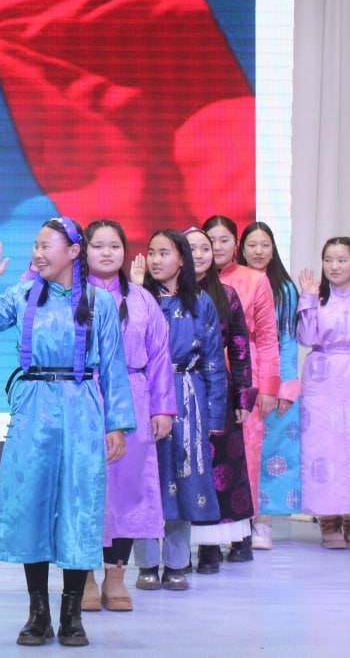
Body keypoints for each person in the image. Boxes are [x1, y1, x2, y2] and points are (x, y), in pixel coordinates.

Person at [0, 218, 133, 647]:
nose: (38, 254)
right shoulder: (23, 294)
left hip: (81, 408)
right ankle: (37, 612)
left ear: (73, 252)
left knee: (79, 504)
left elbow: (114, 367)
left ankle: (72, 614)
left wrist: (116, 424)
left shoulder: (99, 302)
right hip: (33, 406)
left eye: (46, 246)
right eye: (36, 246)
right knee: (31, 504)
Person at [83, 219, 175, 613]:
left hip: (134, 399)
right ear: (82, 250)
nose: (107, 253)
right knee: (86, 488)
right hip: (85, 397)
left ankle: (116, 575)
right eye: (98, 245)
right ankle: (83, 575)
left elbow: (160, 356)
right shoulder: (72, 295)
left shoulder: (141, 299)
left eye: (114, 246)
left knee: (128, 488)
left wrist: (163, 408)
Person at [134, 230, 228, 592]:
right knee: (147, 479)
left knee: (183, 479)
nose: (156, 260)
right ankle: (146, 563)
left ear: (182, 259)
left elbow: (213, 362)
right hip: (146, 394)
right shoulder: (137, 298)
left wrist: (214, 415)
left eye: (164, 253)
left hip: (188, 395)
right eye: (152, 252)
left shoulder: (201, 302)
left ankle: (176, 562)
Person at [204, 215, 281, 555]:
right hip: (202, 375)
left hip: (243, 373)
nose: (217, 247)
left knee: (245, 453)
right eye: (211, 240)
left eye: (224, 240)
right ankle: (206, 532)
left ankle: (242, 532)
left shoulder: (254, 279)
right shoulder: (192, 279)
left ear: (236, 244)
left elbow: (267, 337)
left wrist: (268, 387)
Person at [297, 237, 350, 550]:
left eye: (342, 260)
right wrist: (307, 298)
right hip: (322, 378)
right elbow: (306, 337)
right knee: (323, 447)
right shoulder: (315, 298)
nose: (334, 266)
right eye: (328, 260)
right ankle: (328, 520)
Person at [186, 227, 255, 572]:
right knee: (188, 465)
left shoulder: (226, 295)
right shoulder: (163, 295)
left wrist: (243, 397)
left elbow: (240, 349)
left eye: (205, 249)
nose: (199, 255)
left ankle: (228, 540)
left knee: (224, 466)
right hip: (180, 387)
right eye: (191, 249)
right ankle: (189, 545)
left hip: (217, 390)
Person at [238, 221, 303, 545]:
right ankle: (238, 524)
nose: (259, 251)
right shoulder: (232, 281)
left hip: (272, 378)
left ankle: (262, 522)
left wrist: (285, 387)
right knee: (240, 452)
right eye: (252, 244)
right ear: (242, 249)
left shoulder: (284, 289)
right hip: (240, 372)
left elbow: (288, 340)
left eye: (265, 245)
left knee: (269, 450)